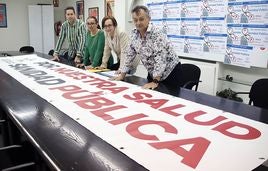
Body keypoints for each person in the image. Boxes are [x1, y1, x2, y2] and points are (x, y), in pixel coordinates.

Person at [111, 5, 183, 90]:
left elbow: (160, 58)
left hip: (170, 72)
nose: (138, 23)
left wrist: (155, 81)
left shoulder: (157, 34)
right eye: (135, 20)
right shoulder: (134, 34)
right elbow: (129, 55)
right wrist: (122, 75)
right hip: (153, 72)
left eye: (141, 19)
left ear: (148, 19)